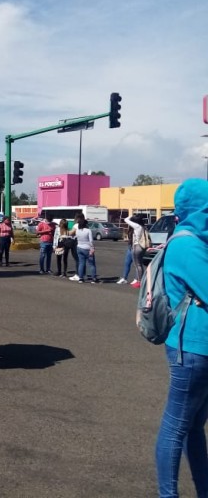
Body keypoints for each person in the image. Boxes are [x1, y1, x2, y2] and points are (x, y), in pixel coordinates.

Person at [153, 178, 208, 497]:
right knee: (176, 428)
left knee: (191, 428)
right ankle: (167, 494)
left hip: (199, 350)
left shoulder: (197, 242)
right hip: (192, 350)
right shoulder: (187, 243)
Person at [70, 213, 98, 283]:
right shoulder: (88, 231)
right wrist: (92, 249)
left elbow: (73, 236)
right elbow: (91, 241)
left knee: (81, 263)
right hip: (87, 248)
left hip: (79, 247)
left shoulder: (77, 231)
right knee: (92, 264)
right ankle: (94, 278)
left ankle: (81, 278)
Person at [124, 214, 147, 289]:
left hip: (136, 246)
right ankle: (140, 281)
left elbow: (126, 220)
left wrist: (131, 216)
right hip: (142, 247)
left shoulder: (137, 226)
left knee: (137, 265)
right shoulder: (143, 227)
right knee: (140, 264)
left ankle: (139, 281)